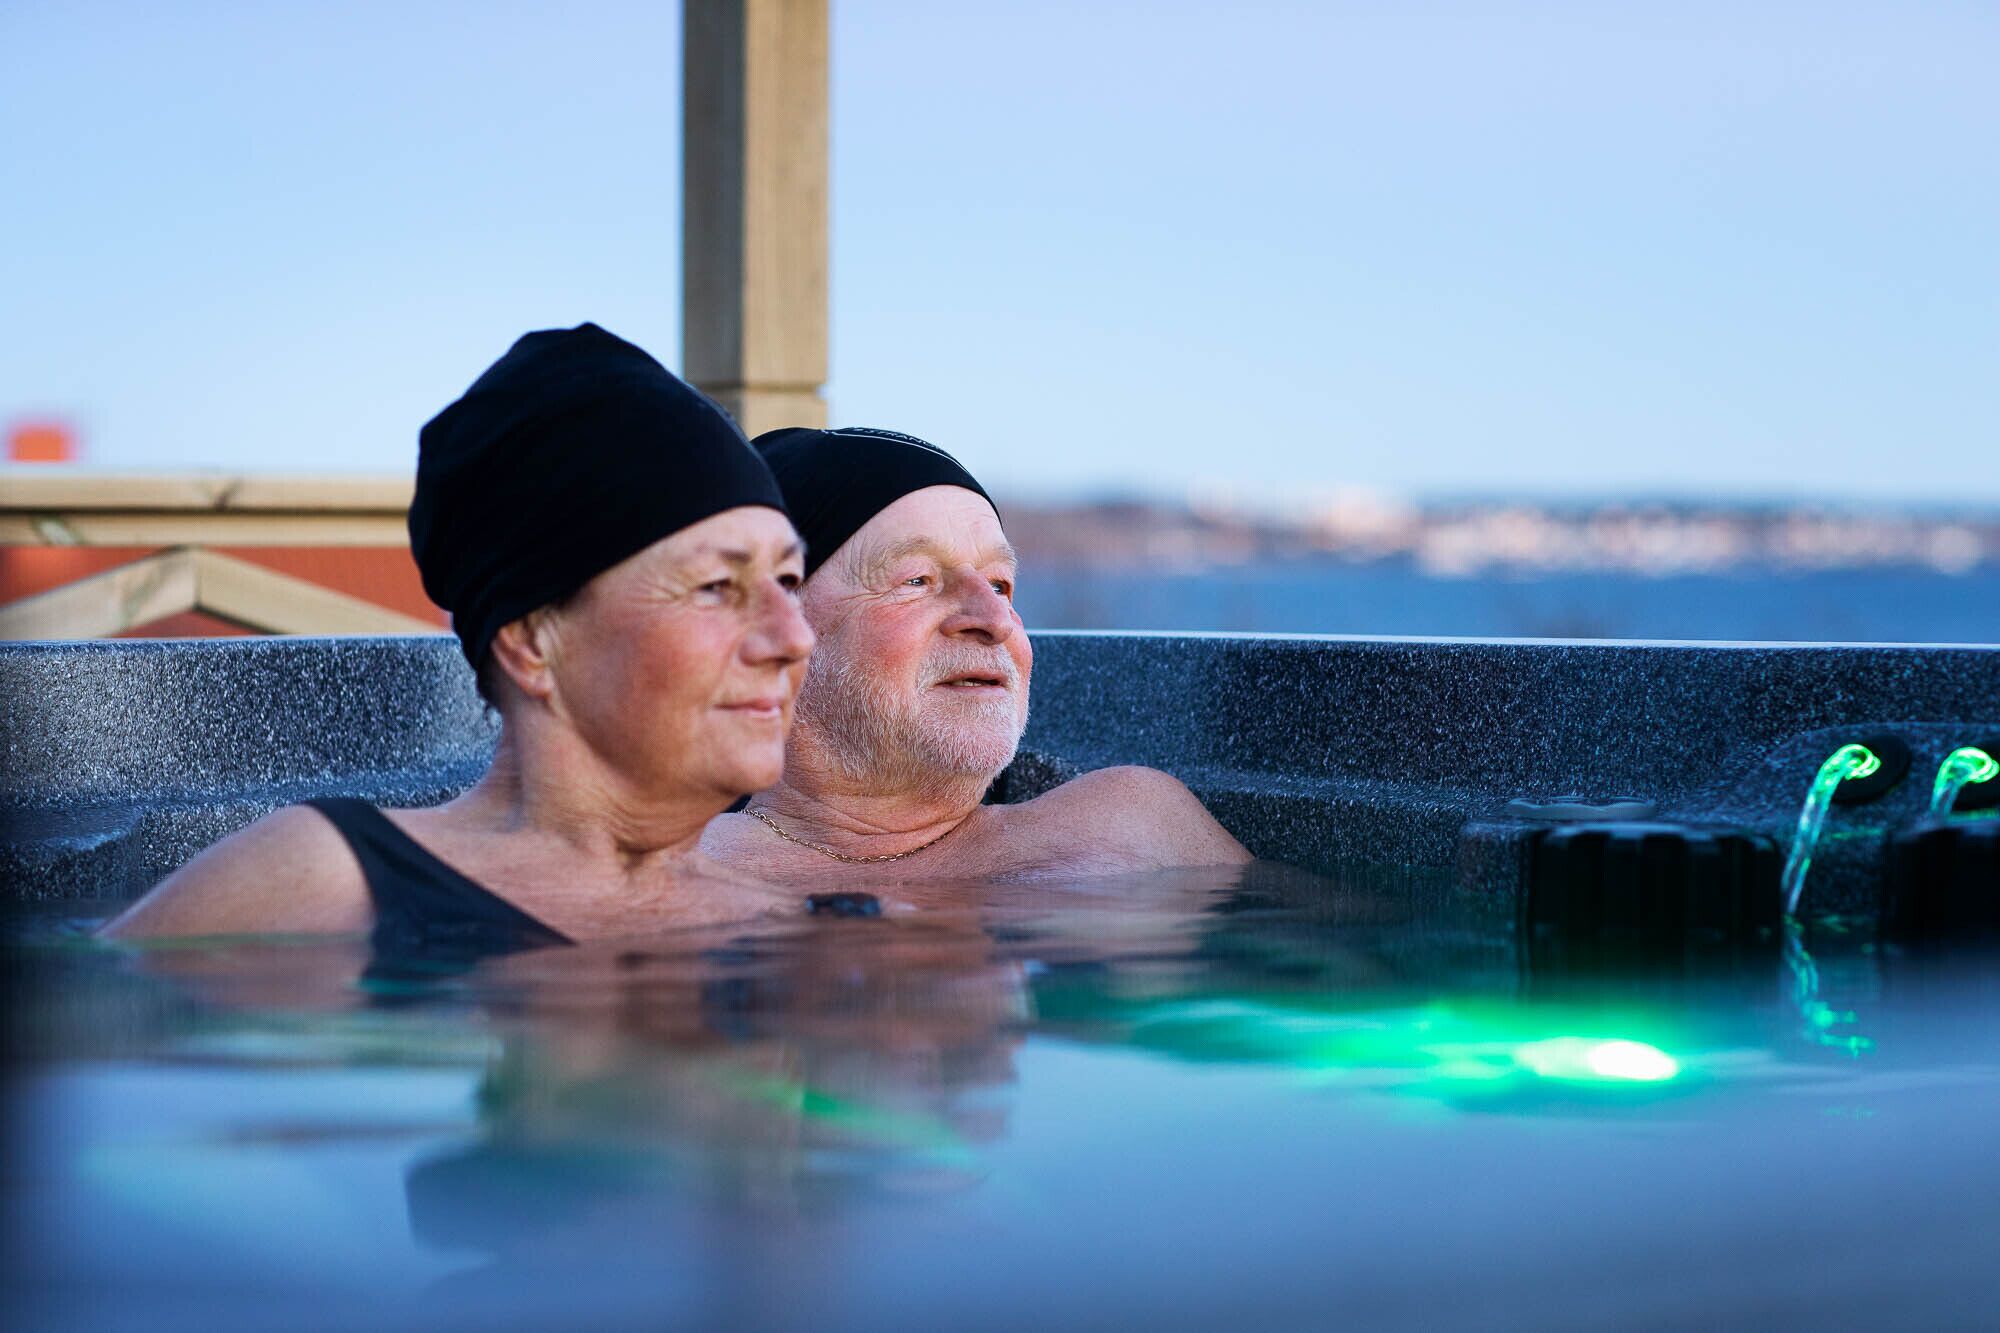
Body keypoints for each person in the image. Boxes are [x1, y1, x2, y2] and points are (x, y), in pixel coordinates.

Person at [103, 323, 819, 949]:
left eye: (788, 580)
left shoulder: (798, 924)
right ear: (531, 642)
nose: (794, 637)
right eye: (715, 587)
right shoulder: (328, 883)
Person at [699, 426, 1249, 885]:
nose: (994, 620)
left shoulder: (1136, 834)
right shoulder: (682, 874)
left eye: (1000, 584)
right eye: (916, 580)